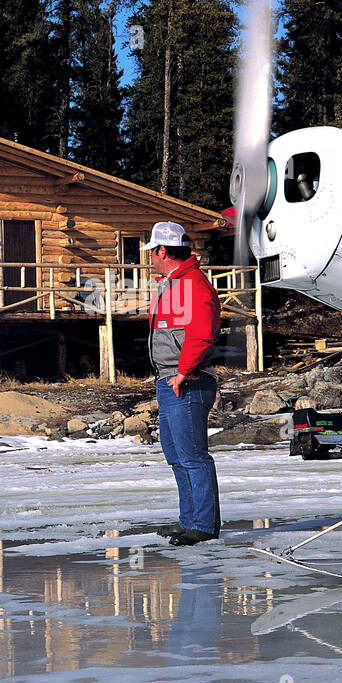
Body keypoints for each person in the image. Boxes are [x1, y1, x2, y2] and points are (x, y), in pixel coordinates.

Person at [143, 222, 221, 545]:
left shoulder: (192, 284)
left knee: (192, 456)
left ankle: (202, 525)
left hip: (186, 382)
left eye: (152, 250)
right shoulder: (172, 283)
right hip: (170, 381)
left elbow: (202, 331)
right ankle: (189, 519)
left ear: (163, 251)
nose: (149, 256)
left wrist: (183, 372)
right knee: (176, 455)